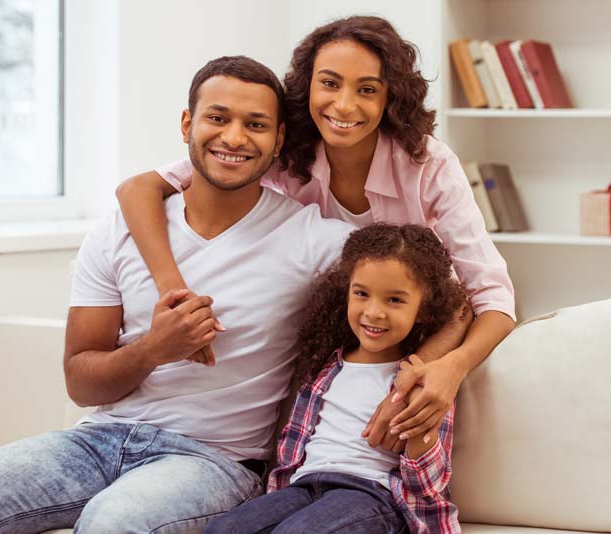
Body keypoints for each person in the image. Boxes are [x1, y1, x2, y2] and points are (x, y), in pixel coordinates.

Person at [0, 56, 357, 534]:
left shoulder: (314, 240)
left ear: (278, 141)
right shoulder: (118, 233)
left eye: (255, 124)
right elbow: (82, 383)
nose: (233, 138)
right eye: (217, 117)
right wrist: (155, 348)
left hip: (217, 460)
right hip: (100, 439)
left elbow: (428, 271)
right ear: (188, 123)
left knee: (113, 523)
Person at [115, 15, 515, 449]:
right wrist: (173, 290)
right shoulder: (278, 152)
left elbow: (489, 297)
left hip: (413, 328)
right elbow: (137, 189)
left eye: (367, 89)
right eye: (329, 84)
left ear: (390, 97)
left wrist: (446, 367)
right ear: (307, 87)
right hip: (321, 333)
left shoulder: (427, 165)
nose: (344, 106)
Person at [205, 223, 466, 534]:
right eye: (362, 294)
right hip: (305, 487)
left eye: (394, 300)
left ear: (423, 308)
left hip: (370, 495)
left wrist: (418, 428)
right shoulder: (328, 366)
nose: (374, 312)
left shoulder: (423, 379)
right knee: (222, 529)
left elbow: (429, 480)